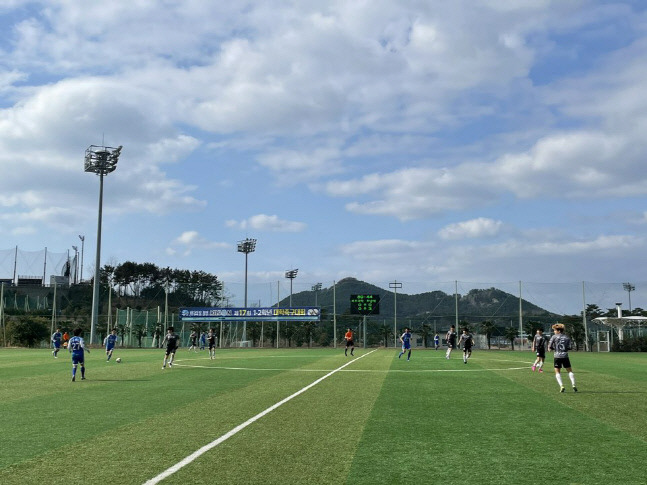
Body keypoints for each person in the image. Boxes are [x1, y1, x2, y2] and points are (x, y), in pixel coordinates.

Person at [547, 323, 577, 393]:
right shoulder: (567, 337)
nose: (554, 331)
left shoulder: (554, 337)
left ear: (559, 331)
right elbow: (570, 347)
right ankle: (573, 384)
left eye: (554, 330)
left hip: (557, 356)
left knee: (557, 372)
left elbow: (550, 346)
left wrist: (552, 348)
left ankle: (561, 386)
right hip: (565, 356)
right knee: (570, 371)